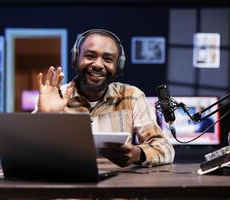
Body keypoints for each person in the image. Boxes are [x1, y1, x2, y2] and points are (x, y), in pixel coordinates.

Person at [35, 29, 174, 167]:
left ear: (118, 66)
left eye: (108, 59)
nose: (97, 65)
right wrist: (45, 116)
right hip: (67, 184)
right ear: (76, 59)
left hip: (118, 186)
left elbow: (166, 149)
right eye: (90, 56)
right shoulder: (56, 96)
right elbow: (26, 150)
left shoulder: (132, 96)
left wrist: (137, 154)